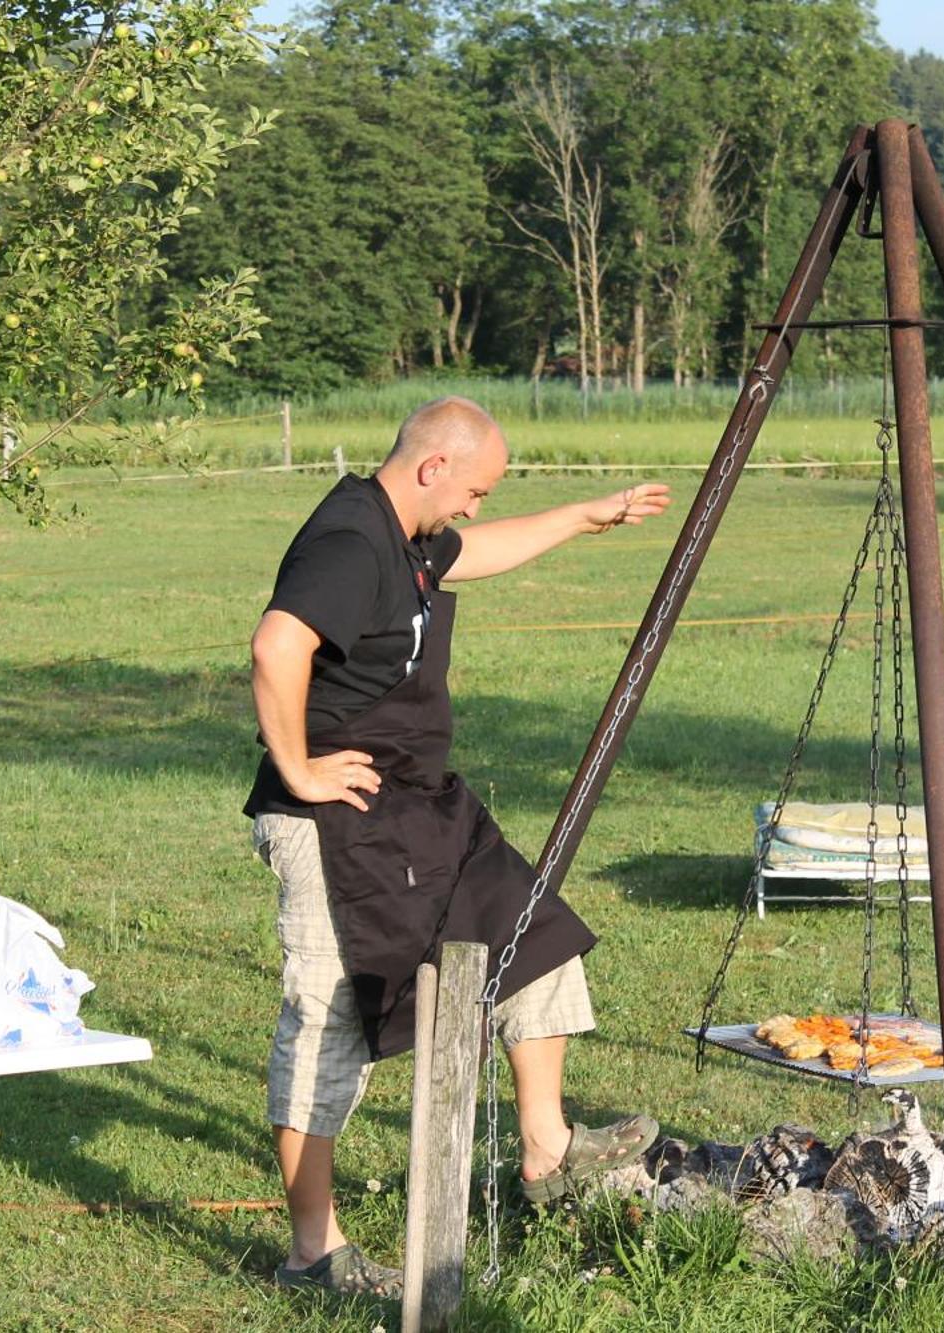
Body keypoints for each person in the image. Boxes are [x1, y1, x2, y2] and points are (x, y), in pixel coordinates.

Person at [245, 396, 671, 1298]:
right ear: (434, 466)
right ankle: (310, 1251)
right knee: (328, 1016)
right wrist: (301, 770)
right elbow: (276, 645)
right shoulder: (352, 539)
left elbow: (473, 551)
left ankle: (548, 1152)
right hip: (334, 818)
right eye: (474, 488)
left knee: (530, 927)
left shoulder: (409, 535)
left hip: (417, 802)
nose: (475, 505)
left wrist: (585, 517)